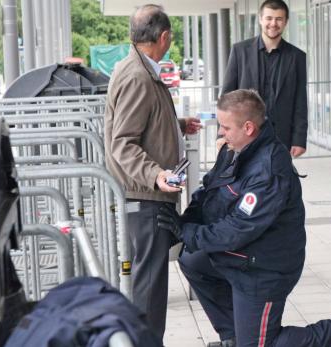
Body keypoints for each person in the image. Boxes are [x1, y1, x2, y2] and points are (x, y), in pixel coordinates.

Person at [165, 90, 331, 347]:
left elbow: (238, 228)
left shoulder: (269, 169)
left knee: (260, 345)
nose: (220, 133)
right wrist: (185, 224)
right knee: (191, 258)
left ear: (248, 127)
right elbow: (208, 191)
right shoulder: (235, 150)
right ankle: (234, 336)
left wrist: (188, 232)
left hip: (263, 269)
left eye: (225, 127)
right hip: (241, 256)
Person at [103, 4, 201, 340]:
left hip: (146, 194)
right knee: (148, 289)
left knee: (152, 286)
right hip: (144, 198)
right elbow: (123, 143)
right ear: (164, 37)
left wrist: (176, 125)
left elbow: (142, 125)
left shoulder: (140, 69)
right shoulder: (137, 76)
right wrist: (155, 174)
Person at [222, 0, 308, 158]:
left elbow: (300, 100)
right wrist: (223, 134)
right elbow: (227, 97)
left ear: (286, 22)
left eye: (279, 19)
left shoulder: (297, 57)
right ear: (260, 19)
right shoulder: (240, 51)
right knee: (246, 181)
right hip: (244, 135)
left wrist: (299, 139)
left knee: (279, 181)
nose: (273, 23)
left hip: (281, 138)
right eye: (269, 18)